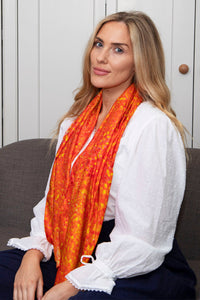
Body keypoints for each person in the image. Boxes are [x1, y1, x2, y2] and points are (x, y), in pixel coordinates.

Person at [0, 11, 196, 300]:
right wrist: (32, 256)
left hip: (130, 260)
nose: (101, 57)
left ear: (139, 61)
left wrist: (68, 286)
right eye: (98, 44)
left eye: (118, 49)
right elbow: (53, 201)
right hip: (67, 243)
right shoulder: (74, 122)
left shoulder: (152, 126)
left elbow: (143, 238)